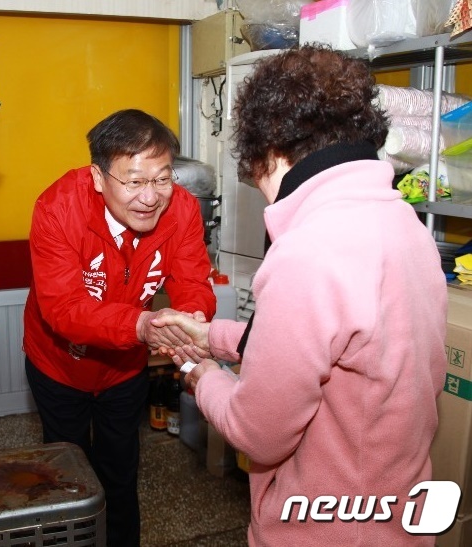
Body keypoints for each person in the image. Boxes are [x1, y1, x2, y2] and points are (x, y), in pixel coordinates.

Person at [153, 45, 448, 546]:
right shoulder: (402, 221)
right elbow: (339, 342)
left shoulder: (309, 248)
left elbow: (257, 431)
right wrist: (214, 336)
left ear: (270, 151)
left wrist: (199, 374)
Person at [23, 109, 216, 546]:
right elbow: (63, 308)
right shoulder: (58, 208)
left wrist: (191, 323)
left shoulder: (182, 210)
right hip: (59, 366)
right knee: (66, 474)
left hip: (125, 367)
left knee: (121, 470)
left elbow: (192, 282)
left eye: (162, 179)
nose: (150, 197)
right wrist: (142, 325)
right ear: (98, 176)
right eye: (133, 181)